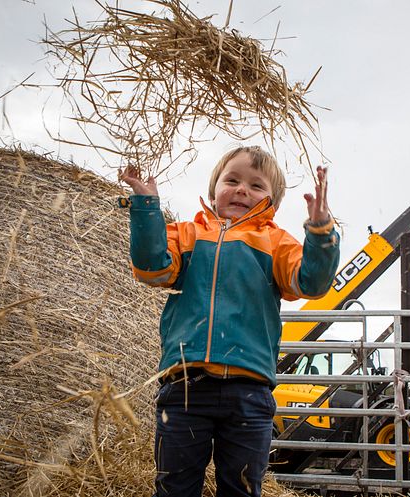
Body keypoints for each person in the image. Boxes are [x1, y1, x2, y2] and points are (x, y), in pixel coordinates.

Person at [119, 145, 340, 497]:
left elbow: (312, 283)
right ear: (213, 189)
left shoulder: (276, 242)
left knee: (241, 489)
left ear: (272, 203)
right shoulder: (186, 234)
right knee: (174, 487)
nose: (241, 190)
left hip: (248, 394)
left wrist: (320, 232)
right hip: (185, 388)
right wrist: (146, 207)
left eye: (256, 186)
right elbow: (152, 269)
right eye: (232, 180)